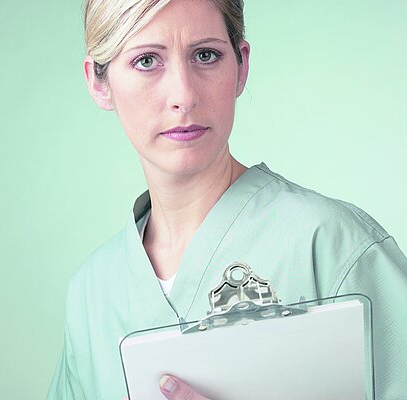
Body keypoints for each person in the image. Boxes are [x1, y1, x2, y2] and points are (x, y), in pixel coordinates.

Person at [48, 0, 407, 398]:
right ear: (99, 83)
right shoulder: (92, 293)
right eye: (147, 61)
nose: (183, 95)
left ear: (241, 66)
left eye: (206, 55)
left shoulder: (332, 247)